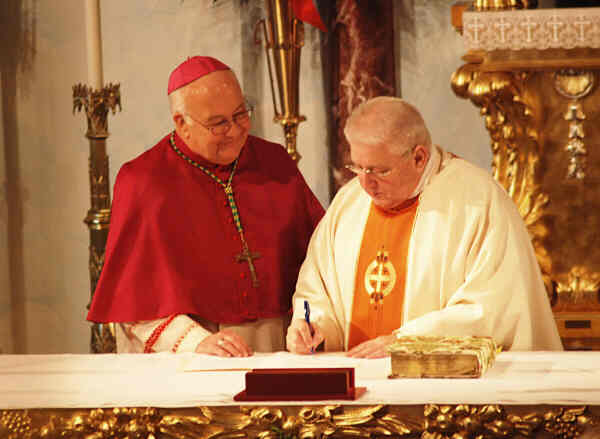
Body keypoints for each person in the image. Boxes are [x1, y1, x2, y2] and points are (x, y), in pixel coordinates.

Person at [286, 96, 563, 358]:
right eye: (358, 168)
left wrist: (408, 341)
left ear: (419, 157)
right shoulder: (349, 204)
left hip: (441, 386)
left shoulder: (476, 202)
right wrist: (314, 328)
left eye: (380, 171)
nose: (366, 184)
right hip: (358, 379)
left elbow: (494, 308)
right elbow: (316, 289)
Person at [87, 56, 324, 356]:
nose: (235, 131)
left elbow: (319, 262)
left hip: (278, 344)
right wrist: (195, 342)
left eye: (241, 114)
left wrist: (307, 320)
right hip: (192, 355)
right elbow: (134, 300)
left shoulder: (275, 162)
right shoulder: (144, 181)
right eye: (219, 123)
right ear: (181, 123)